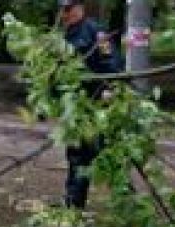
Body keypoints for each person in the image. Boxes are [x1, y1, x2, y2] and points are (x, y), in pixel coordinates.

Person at [58, 0, 120, 210]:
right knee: (76, 154)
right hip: (77, 105)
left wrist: (110, 87)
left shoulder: (96, 32)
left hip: (97, 101)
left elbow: (111, 61)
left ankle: (127, 202)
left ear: (79, 8)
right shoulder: (64, 35)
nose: (64, 14)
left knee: (105, 153)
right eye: (62, 10)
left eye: (68, 9)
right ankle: (73, 204)